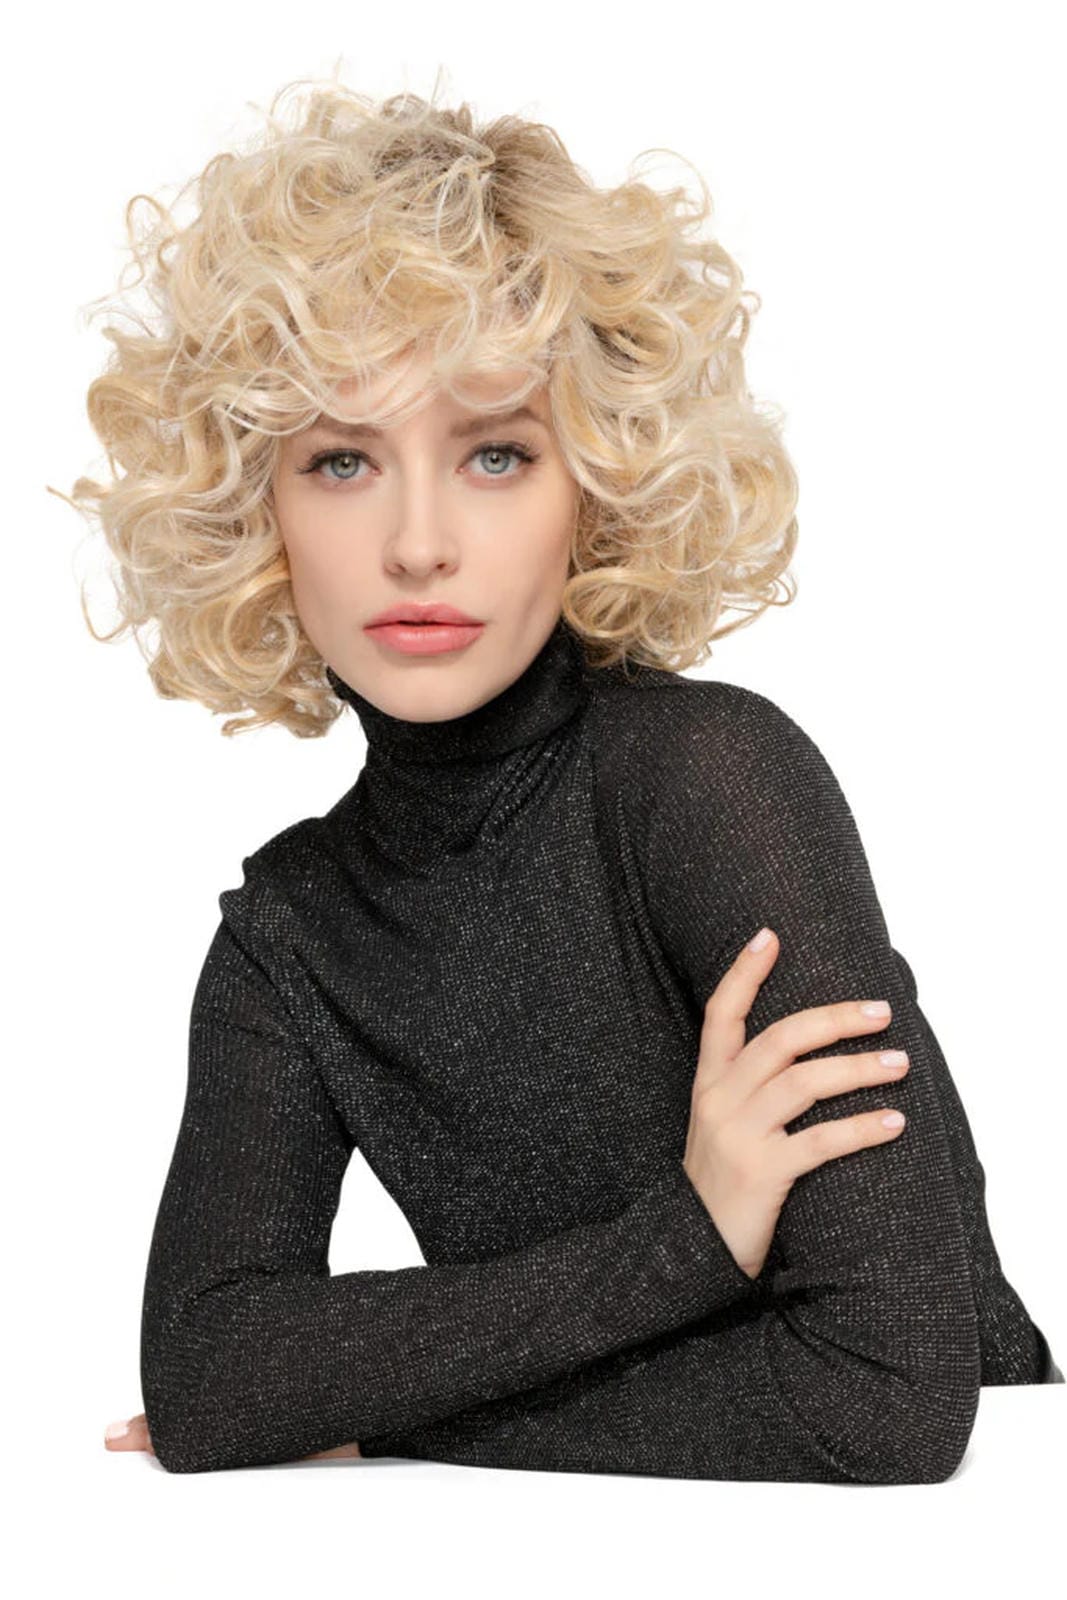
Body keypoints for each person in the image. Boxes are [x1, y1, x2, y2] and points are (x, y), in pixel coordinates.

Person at [67, 77, 1060, 1484]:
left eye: (496, 454)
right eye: (342, 460)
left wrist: (379, 1408)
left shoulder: (709, 784)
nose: (419, 543)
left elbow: (887, 1395)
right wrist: (689, 1240)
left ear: (594, 484)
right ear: (252, 507)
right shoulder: (290, 935)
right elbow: (212, 1379)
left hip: (966, 1535)